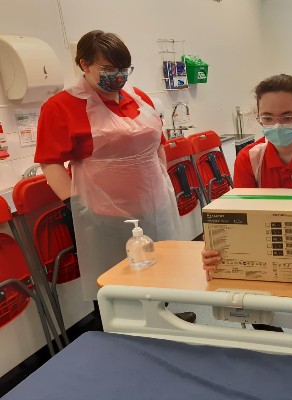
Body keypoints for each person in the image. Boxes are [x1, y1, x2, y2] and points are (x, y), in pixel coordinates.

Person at [35, 31, 192, 321]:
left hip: (153, 200)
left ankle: (166, 318)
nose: (117, 77)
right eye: (108, 69)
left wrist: (162, 177)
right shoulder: (60, 107)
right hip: (100, 208)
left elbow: (157, 142)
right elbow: (50, 162)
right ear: (84, 64)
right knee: (113, 272)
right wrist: (74, 203)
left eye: (123, 70)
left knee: (160, 261)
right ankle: (122, 331)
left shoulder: (140, 98)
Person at [202, 74, 292, 287]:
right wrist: (217, 248)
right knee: (264, 309)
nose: (277, 125)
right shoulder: (249, 158)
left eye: (287, 117)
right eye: (268, 118)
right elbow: (244, 216)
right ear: (258, 117)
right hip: (269, 242)